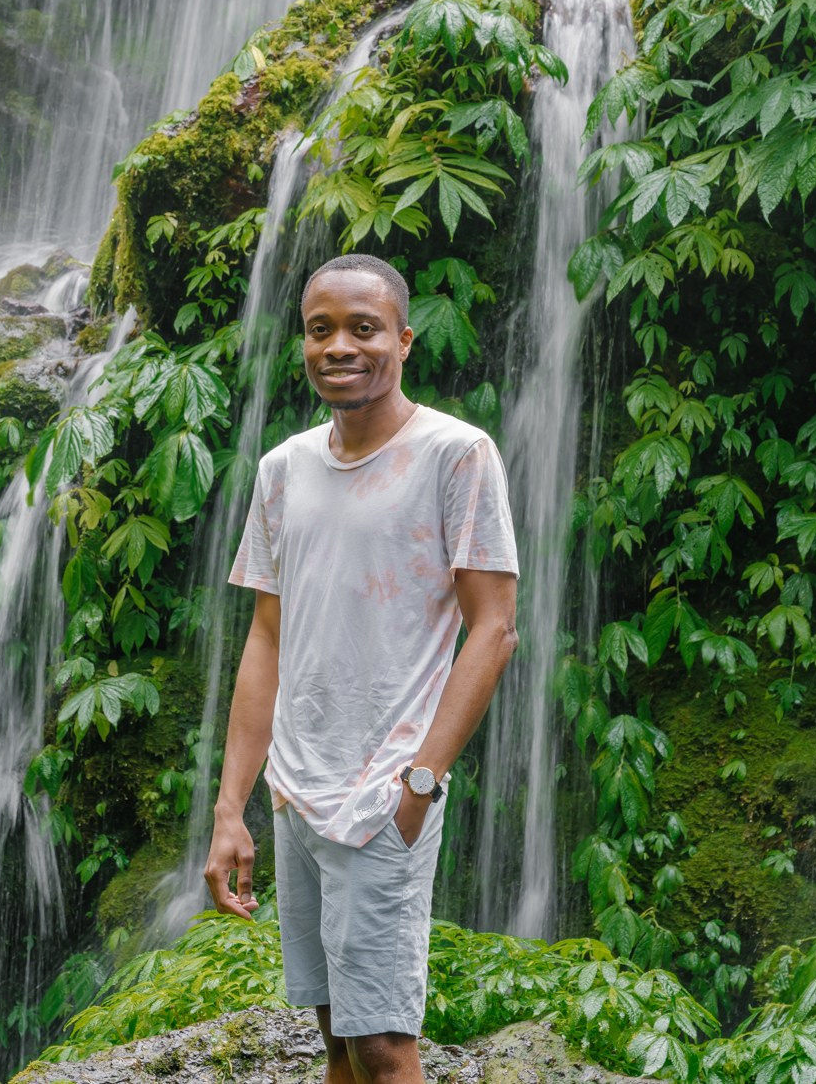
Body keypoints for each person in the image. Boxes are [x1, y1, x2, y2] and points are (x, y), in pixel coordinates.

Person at [204, 252, 521, 1084]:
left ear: (404, 340)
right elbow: (267, 637)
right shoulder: (283, 470)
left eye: (363, 328)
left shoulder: (457, 455)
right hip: (296, 792)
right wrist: (232, 805)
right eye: (320, 329)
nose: (339, 346)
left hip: (385, 794)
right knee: (335, 1034)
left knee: (383, 1044)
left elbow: (493, 630)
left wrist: (419, 784)